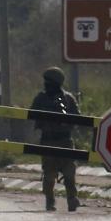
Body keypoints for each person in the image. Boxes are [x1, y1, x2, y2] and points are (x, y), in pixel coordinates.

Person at [29, 67, 81, 212]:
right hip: (48, 140)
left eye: (49, 82)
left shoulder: (68, 99)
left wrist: (65, 120)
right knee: (49, 174)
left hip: (65, 140)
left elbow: (78, 117)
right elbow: (31, 113)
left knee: (69, 172)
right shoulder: (41, 98)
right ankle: (49, 200)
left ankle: (72, 198)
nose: (46, 84)